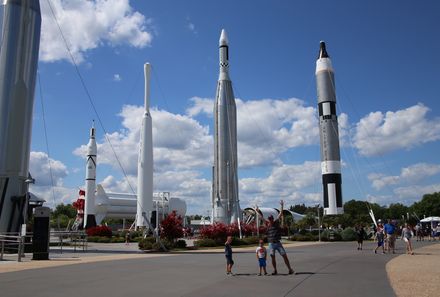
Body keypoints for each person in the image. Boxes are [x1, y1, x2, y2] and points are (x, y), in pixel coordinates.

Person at [262, 200, 294, 275]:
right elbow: (261, 217)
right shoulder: (267, 224)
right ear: (268, 220)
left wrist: (282, 206)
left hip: (278, 243)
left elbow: (280, 214)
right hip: (271, 244)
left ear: (273, 219)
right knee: (272, 256)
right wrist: (256, 211)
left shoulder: (276, 222)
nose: (271, 220)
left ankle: (290, 269)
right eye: (270, 219)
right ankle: (275, 270)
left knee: (284, 256)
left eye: (271, 219)